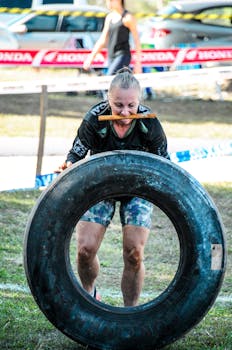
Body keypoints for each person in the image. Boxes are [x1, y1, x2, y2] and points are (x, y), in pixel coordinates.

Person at [56, 68, 170, 307]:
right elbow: (75, 155)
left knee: (134, 253)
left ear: (139, 101)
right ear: (108, 99)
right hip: (101, 187)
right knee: (85, 250)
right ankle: (90, 296)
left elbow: (166, 166)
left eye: (131, 105)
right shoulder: (94, 119)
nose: (125, 112)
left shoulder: (150, 123)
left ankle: (130, 314)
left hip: (138, 189)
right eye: (118, 105)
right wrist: (67, 166)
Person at [83, 0, 142, 75]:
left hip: (122, 56)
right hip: (111, 56)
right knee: (117, 84)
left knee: (109, 80)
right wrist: (91, 58)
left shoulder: (128, 18)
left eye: (111, 0)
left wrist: (138, 63)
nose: (108, 3)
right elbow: (102, 40)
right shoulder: (109, 17)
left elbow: (136, 40)